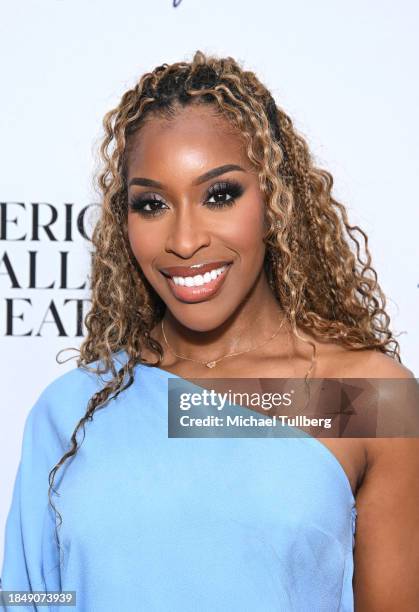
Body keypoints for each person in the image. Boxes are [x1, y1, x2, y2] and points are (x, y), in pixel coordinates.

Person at [1, 49, 418, 612]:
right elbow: (29, 595)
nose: (185, 239)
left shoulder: (368, 399)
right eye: (151, 204)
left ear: (275, 199)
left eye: (220, 195)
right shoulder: (74, 409)